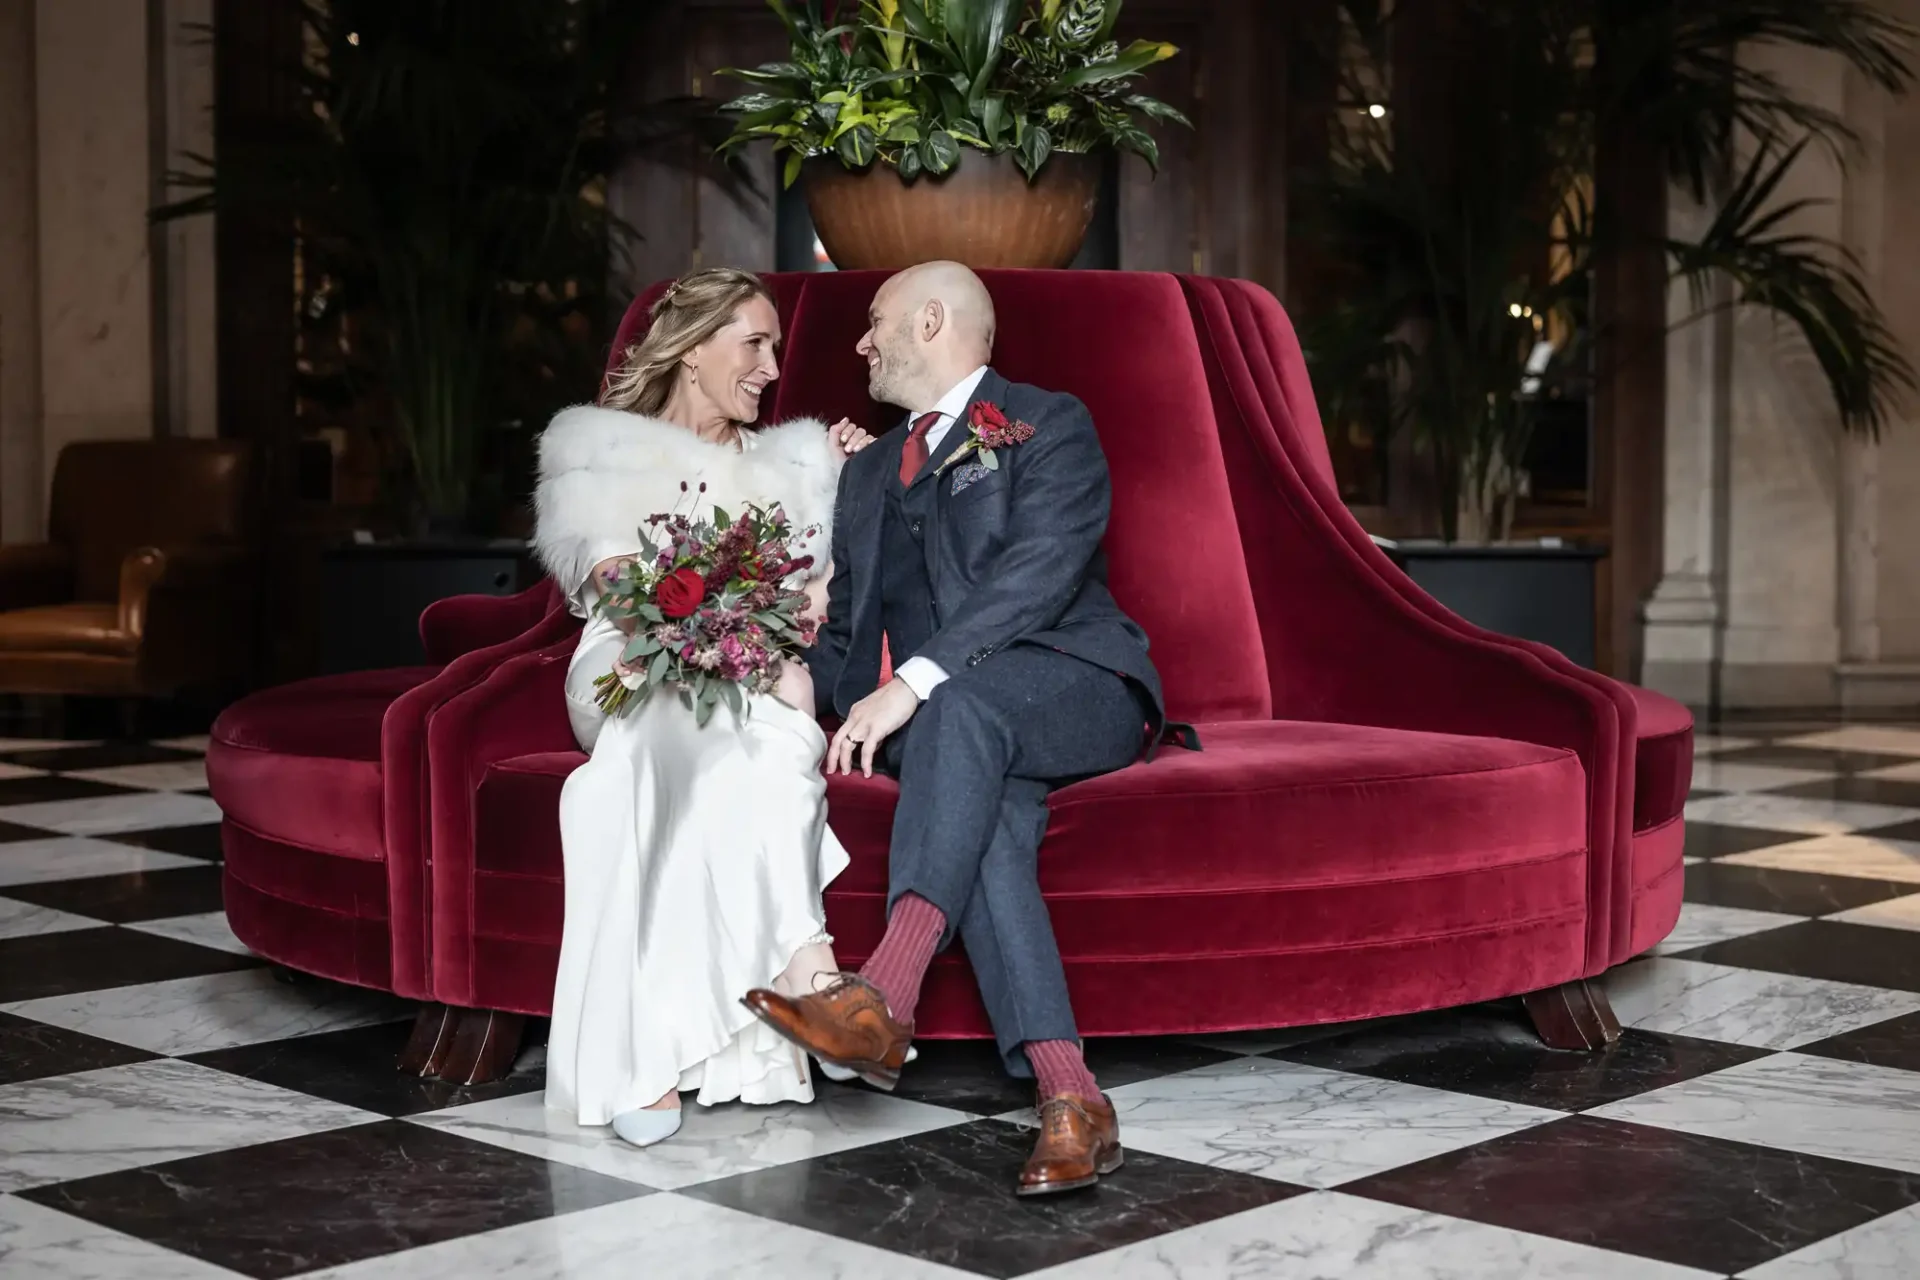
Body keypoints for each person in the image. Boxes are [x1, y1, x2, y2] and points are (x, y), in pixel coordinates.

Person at [743, 261, 1176, 1197]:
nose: (859, 343)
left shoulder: (1046, 422)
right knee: (991, 822)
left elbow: (1040, 575)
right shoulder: (864, 477)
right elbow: (852, 640)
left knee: (955, 707)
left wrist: (919, 682)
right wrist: (765, 677)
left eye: (875, 322)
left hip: (1075, 684)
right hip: (954, 730)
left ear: (932, 319)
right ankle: (1073, 1099)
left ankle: (883, 993)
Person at [532, 267, 877, 1148]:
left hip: (756, 673)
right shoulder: (601, 448)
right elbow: (622, 589)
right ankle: (718, 1028)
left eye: (775, 349)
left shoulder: (795, 466)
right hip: (632, 662)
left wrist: (857, 488)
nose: (770, 367)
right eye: (753, 344)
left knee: (759, 751)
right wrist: (715, 632)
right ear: (691, 351)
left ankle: (804, 982)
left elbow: (825, 597)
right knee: (674, 734)